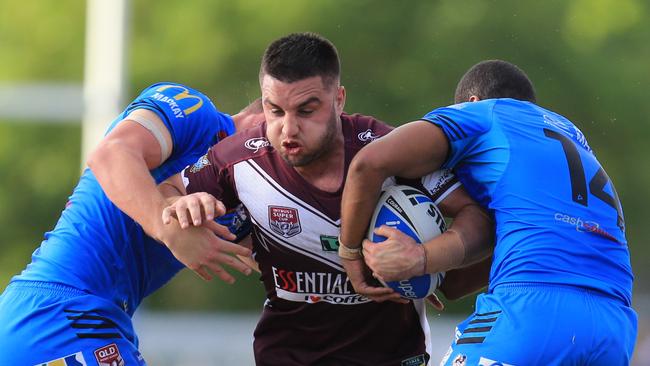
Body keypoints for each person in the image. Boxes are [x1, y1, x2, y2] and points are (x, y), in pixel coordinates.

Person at [162, 32, 493, 366]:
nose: (288, 129)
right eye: (274, 111)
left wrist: (424, 258)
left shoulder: (387, 150)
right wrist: (177, 205)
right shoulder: (237, 160)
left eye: (306, 111)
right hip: (286, 356)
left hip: (393, 356)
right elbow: (169, 188)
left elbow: (477, 217)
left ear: (339, 99)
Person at [339, 60, 637, 365]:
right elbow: (456, 285)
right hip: (614, 324)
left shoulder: (484, 113)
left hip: (533, 310)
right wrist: (430, 266)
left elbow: (368, 164)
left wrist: (350, 254)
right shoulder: (571, 137)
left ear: (471, 102)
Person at [0, 82, 263, 365]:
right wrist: (169, 228)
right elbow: (111, 154)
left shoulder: (252, 197)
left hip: (90, 319)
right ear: (269, 115)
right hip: (61, 311)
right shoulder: (196, 113)